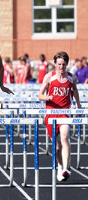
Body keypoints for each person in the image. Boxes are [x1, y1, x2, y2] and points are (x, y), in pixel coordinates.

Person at [38, 51, 81, 181]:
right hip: (51, 112)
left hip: (65, 112)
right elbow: (39, 95)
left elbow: (75, 90)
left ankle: (66, 168)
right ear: (55, 64)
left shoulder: (72, 78)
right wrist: (47, 97)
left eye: (63, 64)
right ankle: (60, 165)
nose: (61, 67)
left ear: (67, 64)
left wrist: (78, 105)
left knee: (64, 138)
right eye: (59, 64)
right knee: (56, 147)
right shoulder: (49, 77)